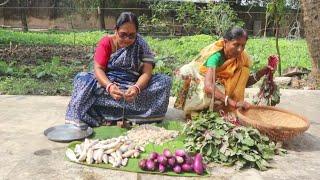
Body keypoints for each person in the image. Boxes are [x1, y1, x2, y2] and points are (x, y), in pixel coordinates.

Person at [65, 12, 172, 127]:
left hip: (133, 85)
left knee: (165, 81)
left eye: (131, 36)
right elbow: (98, 69)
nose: (127, 39)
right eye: (123, 34)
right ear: (115, 30)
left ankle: (141, 115)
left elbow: (147, 72)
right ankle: (102, 113)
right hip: (108, 84)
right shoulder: (106, 43)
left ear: (137, 34)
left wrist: (136, 88)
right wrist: (109, 87)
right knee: (82, 79)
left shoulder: (141, 44)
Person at [174, 27, 274, 117]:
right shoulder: (215, 56)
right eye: (236, 45)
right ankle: (196, 110)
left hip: (217, 83)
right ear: (225, 42)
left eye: (243, 45)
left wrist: (263, 71)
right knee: (214, 92)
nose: (240, 49)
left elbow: (244, 83)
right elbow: (208, 87)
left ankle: (216, 108)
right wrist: (233, 103)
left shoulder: (242, 58)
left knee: (238, 75)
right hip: (199, 79)